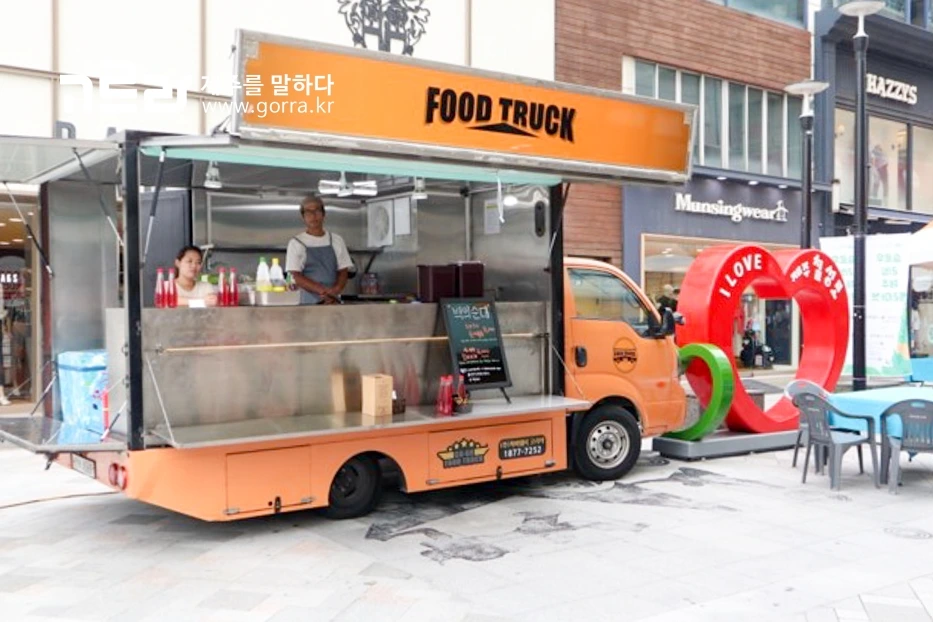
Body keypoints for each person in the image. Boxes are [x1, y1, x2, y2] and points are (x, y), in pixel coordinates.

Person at [286, 195, 354, 305]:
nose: (313, 216)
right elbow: (295, 276)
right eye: (308, 212)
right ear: (303, 217)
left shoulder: (336, 240)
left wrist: (335, 290)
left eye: (317, 211)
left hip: (332, 301)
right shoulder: (296, 243)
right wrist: (322, 291)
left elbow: (343, 271)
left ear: (323, 214)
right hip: (307, 302)